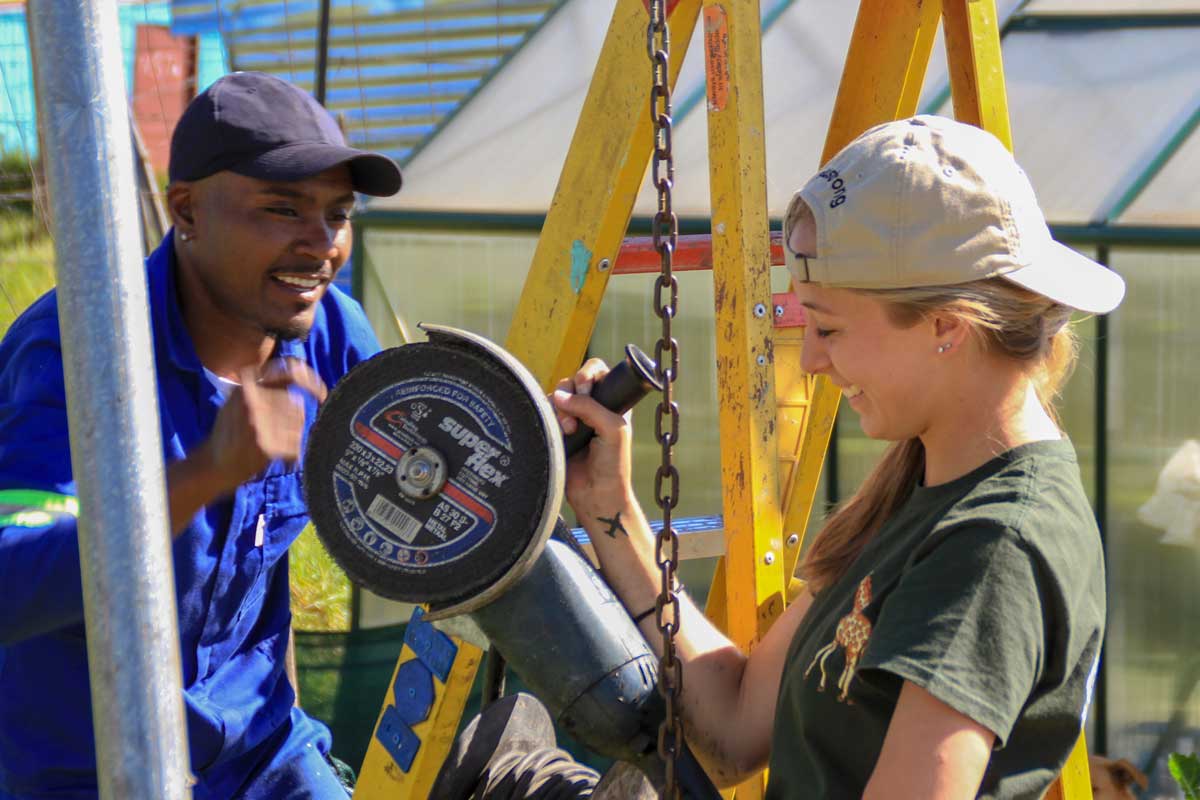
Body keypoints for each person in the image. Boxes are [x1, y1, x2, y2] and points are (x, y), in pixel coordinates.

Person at [552, 115, 1126, 799]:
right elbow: (734, 727)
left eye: (827, 327)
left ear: (947, 325)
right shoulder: (923, 484)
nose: (815, 359)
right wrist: (610, 508)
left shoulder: (993, 548)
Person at [0, 72, 401, 799]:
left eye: (338, 214)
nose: (321, 245)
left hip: (262, 756)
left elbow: (426, 466)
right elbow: (9, 585)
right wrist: (205, 475)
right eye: (283, 209)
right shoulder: (78, 357)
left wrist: (541, 438)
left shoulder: (333, 331)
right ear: (185, 210)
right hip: (87, 770)